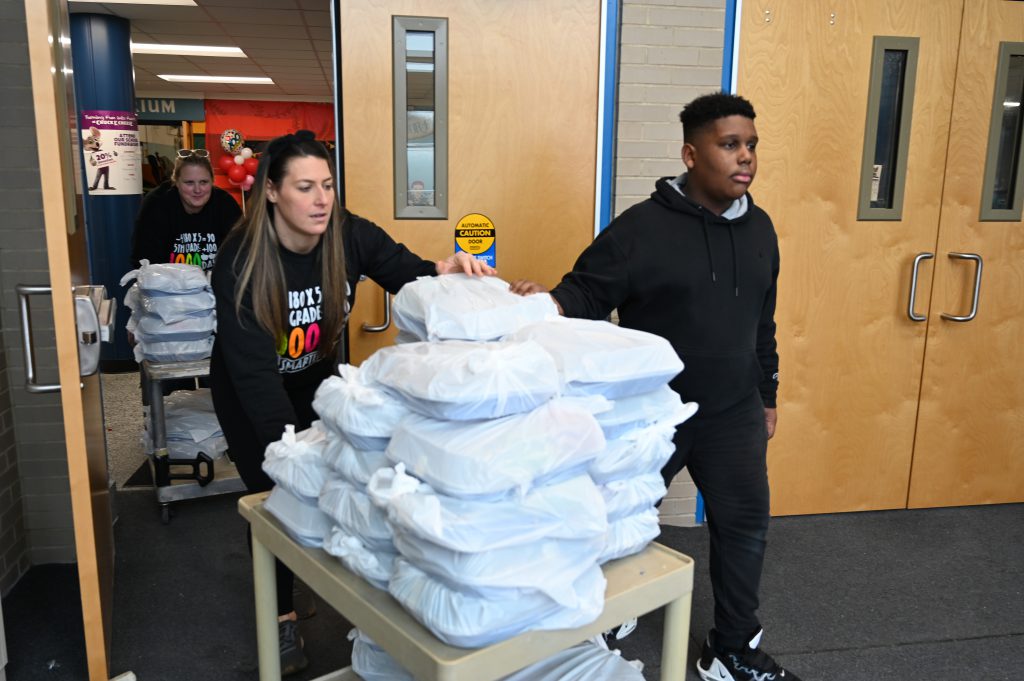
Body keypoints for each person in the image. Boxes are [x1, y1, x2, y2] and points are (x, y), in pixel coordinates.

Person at [510, 92, 797, 681]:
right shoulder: (642, 228)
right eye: (728, 145)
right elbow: (584, 293)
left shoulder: (761, 229)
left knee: (744, 527)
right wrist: (543, 304)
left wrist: (766, 393)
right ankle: (606, 611)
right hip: (652, 412)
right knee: (615, 518)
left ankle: (732, 649)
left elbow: (762, 321)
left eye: (750, 145)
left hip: (733, 408)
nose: (745, 158)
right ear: (691, 154)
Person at [209, 130, 494, 675]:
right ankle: (282, 617)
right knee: (277, 495)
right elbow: (254, 377)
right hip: (251, 392)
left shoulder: (348, 235)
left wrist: (451, 270)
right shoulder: (241, 261)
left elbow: (409, 273)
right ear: (271, 191)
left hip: (315, 380)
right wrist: (289, 454)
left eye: (328, 185)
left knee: (340, 483)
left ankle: (322, 576)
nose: (321, 199)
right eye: (305, 187)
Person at [131, 149, 242, 272]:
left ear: (212, 181)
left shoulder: (225, 204)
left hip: (214, 286)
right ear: (176, 182)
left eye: (204, 182)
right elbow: (143, 259)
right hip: (165, 286)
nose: (197, 190)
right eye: (189, 183)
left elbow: (241, 256)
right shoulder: (156, 203)